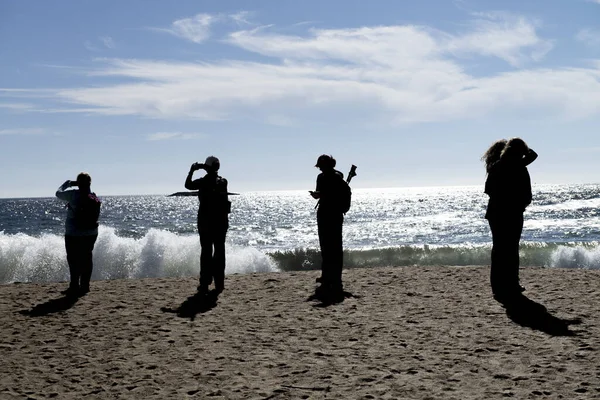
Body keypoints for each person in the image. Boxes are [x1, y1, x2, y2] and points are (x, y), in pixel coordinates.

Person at [483, 138, 538, 302]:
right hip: (506, 213)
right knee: (506, 249)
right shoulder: (507, 165)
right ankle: (505, 285)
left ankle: (506, 284)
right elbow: (489, 189)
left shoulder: (509, 165)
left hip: (505, 212)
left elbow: (533, 155)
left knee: (505, 249)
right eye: (521, 151)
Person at [185, 156, 231, 295]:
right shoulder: (223, 182)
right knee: (219, 252)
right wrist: (206, 167)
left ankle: (204, 284)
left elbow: (188, 185)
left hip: (206, 223)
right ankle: (219, 283)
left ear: (208, 167)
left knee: (206, 253)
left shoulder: (204, 182)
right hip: (221, 223)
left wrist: (192, 170)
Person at [56, 173, 101, 297]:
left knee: (73, 259)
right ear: (90, 183)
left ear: (78, 183)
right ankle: (85, 286)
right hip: (91, 232)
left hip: (74, 233)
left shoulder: (73, 194)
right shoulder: (93, 196)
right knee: (87, 258)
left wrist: (68, 183)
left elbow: (58, 193)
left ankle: (74, 286)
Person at [310, 154, 346, 300]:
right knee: (335, 247)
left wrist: (317, 195)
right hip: (336, 214)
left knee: (327, 247)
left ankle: (329, 278)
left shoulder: (323, 177)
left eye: (321, 166)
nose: (320, 168)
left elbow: (321, 194)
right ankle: (334, 278)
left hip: (326, 213)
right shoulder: (339, 176)